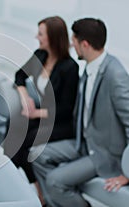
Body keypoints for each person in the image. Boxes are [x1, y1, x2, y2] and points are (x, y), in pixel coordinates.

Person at [32, 18, 129, 207]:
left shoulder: (115, 74)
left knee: (54, 180)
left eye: (74, 41)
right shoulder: (89, 69)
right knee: (36, 154)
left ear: (84, 44)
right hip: (83, 144)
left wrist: (127, 174)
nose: (71, 45)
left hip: (105, 155)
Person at [13, 16, 79, 183]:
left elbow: (66, 109)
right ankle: (18, 183)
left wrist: (36, 113)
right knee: (15, 130)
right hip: (43, 116)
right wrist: (25, 97)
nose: (37, 37)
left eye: (41, 34)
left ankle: (38, 191)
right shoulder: (40, 55)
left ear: (53, 37)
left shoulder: (70, 67)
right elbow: (19, 75)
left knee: (27, 141)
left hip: (61, 122)